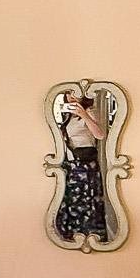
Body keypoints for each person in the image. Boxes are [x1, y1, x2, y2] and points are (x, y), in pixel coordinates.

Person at [54, 91, 110, 243]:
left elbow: (100, 135)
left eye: (74, 93)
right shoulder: (67, 115)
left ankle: (92, 235)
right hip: (71, 163)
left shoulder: (90, 111)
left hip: (86, 164)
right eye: (68, 94)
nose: (71, 96)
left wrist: (84, 114)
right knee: (72, 200)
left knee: (88, 200)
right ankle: (72, 235)